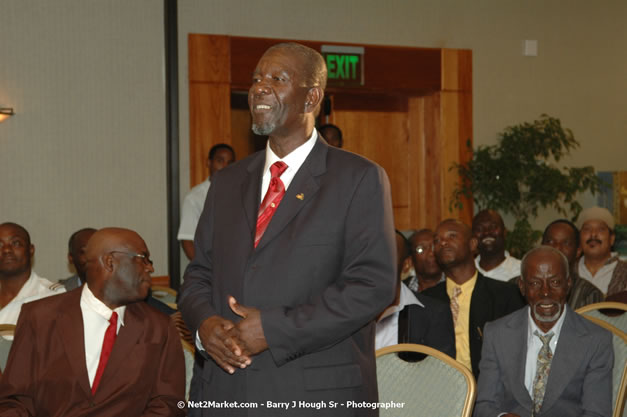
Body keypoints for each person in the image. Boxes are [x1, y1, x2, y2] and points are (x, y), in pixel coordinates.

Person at [179, 42, 396, 416]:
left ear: (311, 97)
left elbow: (371, 287)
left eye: (277, 79)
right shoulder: (228, 183)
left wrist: (275, 330)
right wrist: (205, 326)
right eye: (256, 79)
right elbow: (199, 273)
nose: (259, 88)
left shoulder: (358, 178)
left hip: (313, 396)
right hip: (224, 391)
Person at [0, 227, 185, 416]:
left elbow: (169, 403)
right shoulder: (40, 317)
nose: (150, 268)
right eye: (142, 258)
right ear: (110, 262)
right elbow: (15, 400)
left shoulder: (158, 327)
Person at [474, 246, 613, 417]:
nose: (545, 292)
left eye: (555, 282)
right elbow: (484, 406)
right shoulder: (497, 334)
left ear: (568, 284)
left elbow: (597, 413)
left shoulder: (596, 340)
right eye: (535, 283)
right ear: (522, 286)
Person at [422, 219, 525, 377]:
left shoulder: (506, 295)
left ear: (472, 244)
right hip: (438, 390)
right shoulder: (426, 300)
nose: (443, 243)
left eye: (452, 236)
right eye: (437, 240)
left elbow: (517, 355)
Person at [376, 231, 455, 359]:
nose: (380, 259)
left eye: (389, 253)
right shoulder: (347, 308)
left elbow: (443, 374)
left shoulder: (434, 313)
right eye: (374, 252)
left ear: (406, 264)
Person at [178, 143, 235, 260]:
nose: (225, 166)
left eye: (230, 163)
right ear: (209, 163)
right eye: (220, 161)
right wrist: (203, 271)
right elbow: (187, 239)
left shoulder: (241, 192)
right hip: (211, 267)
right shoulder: (195, 197)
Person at [0, 222, 64, 325]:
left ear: (31, 250)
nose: (6, 250)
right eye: (0, 245)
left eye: (16, 243)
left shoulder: (53, 296)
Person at [541, 219, 603, 309]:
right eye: (550, 242)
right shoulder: (519, 286)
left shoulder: (589, 293)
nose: (557, 248)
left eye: (566, 243)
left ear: (578, 251)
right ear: (542, 247)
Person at [577, 206, 627, 296]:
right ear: (579, 238)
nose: (593, 234)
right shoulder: (568, 272)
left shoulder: (625, 271)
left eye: (600, 229)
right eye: (587, 229)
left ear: (611, 239)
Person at [472, 209, 521, 282]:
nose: (486, 232)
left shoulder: (521, 270)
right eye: (479, 229)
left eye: (493, 227)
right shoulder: (464, 273)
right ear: (473, 237)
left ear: (504, 232)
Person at [408, 228, 445, 292]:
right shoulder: (402, 290)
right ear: (411, 260)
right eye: (420, 249)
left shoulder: (454, 287)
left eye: (434, 246)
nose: (431, 253)